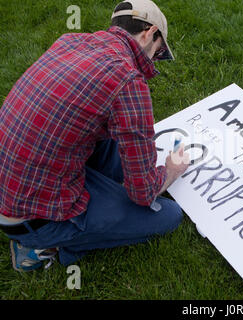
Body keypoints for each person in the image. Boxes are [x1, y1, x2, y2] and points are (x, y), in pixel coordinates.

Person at [0, 0, 190, 271]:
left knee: (112, 141)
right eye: (158, 53)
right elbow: (144, 193)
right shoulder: (127, 79)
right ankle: (40, 245)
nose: (154, 61)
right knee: (169, 215)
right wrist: (171, 171)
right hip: (32, 216)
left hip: (12, 184)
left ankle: (100, 197)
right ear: (149, 33)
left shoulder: (70, 41)